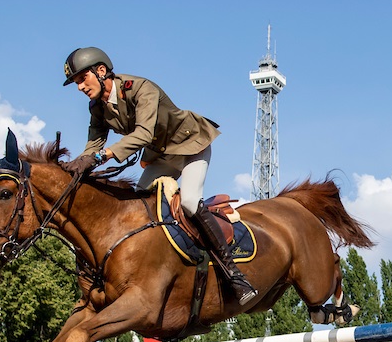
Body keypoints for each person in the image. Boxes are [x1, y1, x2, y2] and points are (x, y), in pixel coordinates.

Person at [61, 46, 257, 304]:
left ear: (100, 71)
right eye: (76, 82)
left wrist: (101, 157)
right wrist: (77, 165)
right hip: (162, 156)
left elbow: (142, 134)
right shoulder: (97, 108)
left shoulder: (140, 89)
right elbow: (93, 145)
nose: (80, 87)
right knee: (138, 204)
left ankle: (234, 274)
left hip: (190, 146)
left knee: (188, 203)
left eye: (82, 79)